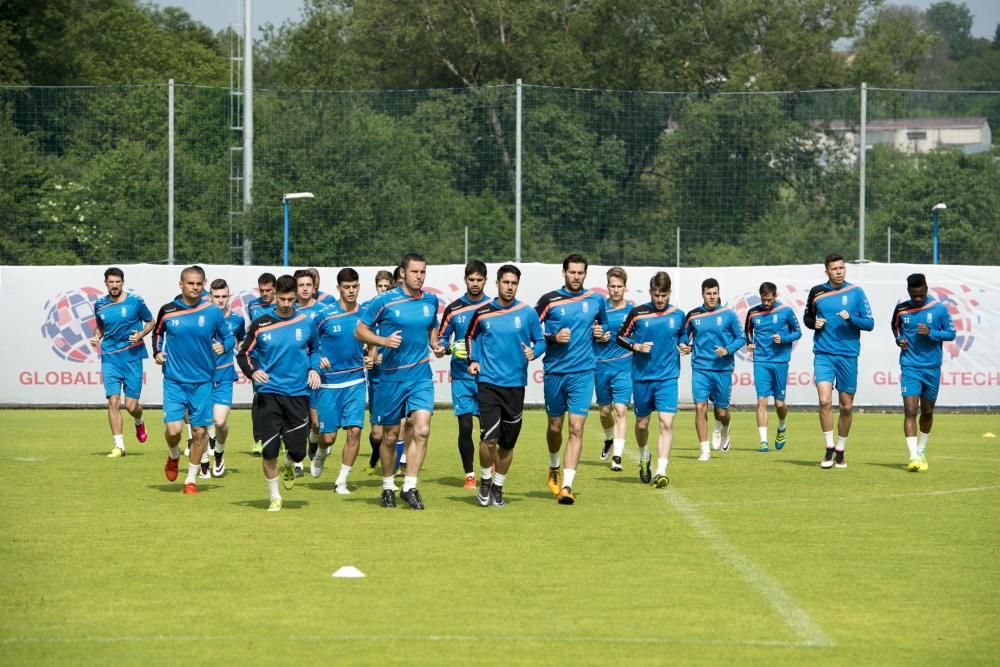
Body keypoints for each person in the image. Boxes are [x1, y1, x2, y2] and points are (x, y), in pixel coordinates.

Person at [356, 253, 444, 510]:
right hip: (390, 378)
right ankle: (387, 486)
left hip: (420, 376)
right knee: (390, 436)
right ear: (403, 273)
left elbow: (432, 333)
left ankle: (410, 486)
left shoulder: (430, 301)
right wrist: (382, 342)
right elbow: (360, 330)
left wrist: (437, 346)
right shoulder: (384, 302)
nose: (419, 276)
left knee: (422, 429)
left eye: (423, 272)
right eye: (415, 272)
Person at [237, 274, 322, 511]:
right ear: (274, 295)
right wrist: (253, 372)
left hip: (298, 394)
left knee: (296, 452)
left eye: (290, 299)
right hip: (268, 394)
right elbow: (243, 354)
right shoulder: (261, 324)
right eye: (282, 299)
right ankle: (275, 497)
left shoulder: (306, 322)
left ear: (296, 296)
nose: (286, 304)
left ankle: (290, 464)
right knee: (269, 450)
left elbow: (315, 349)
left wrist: (314, 368)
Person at [466, 264, 546, 507]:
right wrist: (474, 359)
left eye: (514, 283)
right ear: (497, 284)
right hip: (489, 384)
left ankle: (499, 486)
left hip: (515, 386)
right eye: (506, 282)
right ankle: (486, 480)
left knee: (507, 444)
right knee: (488, 440)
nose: (509, 287)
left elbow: (541, 341)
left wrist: (535, 352)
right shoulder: (482, 312)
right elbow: (470, 337)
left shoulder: (528, 314)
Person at [152, 266, 233, 495]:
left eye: (199, 283)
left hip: (203, 382)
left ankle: (190, 480)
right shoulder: (167, 310)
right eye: (191, 283)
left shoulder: (213, 312)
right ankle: (174, 454)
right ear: (181, 284)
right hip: (174, 381)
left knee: (199, 433)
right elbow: (157, 334)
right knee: (174, 430)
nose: (195, 287)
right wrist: (158, 353)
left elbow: (228, 338)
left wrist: (223, 345)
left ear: (204, 283)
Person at [535, 253, 608, 505]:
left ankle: (567, 485)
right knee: (555, 426)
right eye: (572, 272)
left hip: (583, 373)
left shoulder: (596, 299)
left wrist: (601, 333)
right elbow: (531, 330)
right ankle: (554, 464)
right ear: (564, 272)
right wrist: (554, 337)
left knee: (576, 428)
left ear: (585, 274)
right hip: (555, 372)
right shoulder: (549, 300)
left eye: (580, 272)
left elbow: (603, 328)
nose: (576, 276)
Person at [803, 252, 874, 469]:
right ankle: (829, 447)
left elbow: (870, 323)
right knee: (824, 401)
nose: (839, 271)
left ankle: (841, 450)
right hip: (823, 354)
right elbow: (807, 317)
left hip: (848, 355)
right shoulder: (817, 292)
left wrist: (851, 318)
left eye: (842, 268)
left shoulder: (856, 292)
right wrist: (813, 323)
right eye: (834, 269)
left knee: (846, 407)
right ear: (827, 271)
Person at [616, 272, 685, 487]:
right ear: (650, 292)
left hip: (667, 377)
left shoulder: (678, 315)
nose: (660, 299)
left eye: (663, 294)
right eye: (656, 294)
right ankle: (645, 456)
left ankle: (661, 471)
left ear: (669, 293)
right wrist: (635, 346)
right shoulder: (637, 313)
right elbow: (621, 336)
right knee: (642, 424)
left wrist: (684, 344)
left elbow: (683, 335)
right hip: (642, 377)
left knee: (666, 422)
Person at [891, 273, 956, 472]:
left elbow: (951, 333)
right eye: (914, 295)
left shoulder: (939, 309)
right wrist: (899, 340)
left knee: (927, 411)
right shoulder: (901, 309)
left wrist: (932, 333)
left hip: (932, 368)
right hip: (910, 366)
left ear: (926, 288)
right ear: (909, 291)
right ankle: (913, 456)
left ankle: (921, 450)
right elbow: (895, 328)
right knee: (910, 411)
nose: (917, 299)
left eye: (920, 295)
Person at [311, 268, 367, 494]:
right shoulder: (324, 315)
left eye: (354, 286)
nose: (351, 291)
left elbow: (372, 339)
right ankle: (320, 453)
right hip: (329, 384)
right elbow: (309, 345)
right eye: (346, 287)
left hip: (355, 381)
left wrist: (372, 355)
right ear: (339, 288)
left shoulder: (365, 314)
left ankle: (341, 481)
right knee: (329, 437)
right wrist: (318, 359)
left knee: (354, 431)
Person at [437, 260, 490, 489]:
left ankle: (489, 470)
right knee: (465, 426)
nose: (475, 283)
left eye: (479, 279)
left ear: (486, 280)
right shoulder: (454, 309)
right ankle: (469, 475)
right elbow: (441, 339)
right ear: (465, 280)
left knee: (489, 429)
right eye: (471, 279)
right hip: (461, 376)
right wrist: (446, 348)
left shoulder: (494, 306)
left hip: (489, 377)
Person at [90, 267, 154, 458]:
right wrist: (96, 337)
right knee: (114, 401)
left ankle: (139, 420)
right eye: (111, 282)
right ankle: (119, 446)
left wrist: (141, 334)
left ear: (122, 282)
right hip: (110, 358)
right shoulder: (100, 304)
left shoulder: (135, 301)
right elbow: (100, 327)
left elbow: (151, 321)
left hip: (133, 357)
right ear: (106, 283)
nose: (115, 285)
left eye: (118, 282)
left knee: (131, 406)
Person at [680, 278, 745, 462]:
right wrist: (684, 344)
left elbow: (741, 338)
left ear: (718, 294)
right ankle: (704, 449)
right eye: (708, 293)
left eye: (714, 293)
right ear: (702, 294)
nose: (711, 297)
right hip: (700, 369)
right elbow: (684, 335)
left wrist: (727, 349)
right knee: (700, 408)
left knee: (721, 412)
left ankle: (724, 428)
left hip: (722, 369)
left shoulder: (729, 315)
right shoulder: (693, 315)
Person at [744, 282, 801, 452]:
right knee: (762, 400)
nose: (766, 303)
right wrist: (749, 343)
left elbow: (797, 332)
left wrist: (783, 339)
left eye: (769, 299)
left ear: (776, 296)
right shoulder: (753, 312)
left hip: (780, 361)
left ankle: (782, 425)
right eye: (763, 299)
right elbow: (747, 331)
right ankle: (763, 441)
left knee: (779, 403)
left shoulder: (786, 311)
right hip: (760, 361)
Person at [200, 278, 246, 478]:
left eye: (224, 296)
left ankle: (218, 452)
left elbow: (241, 341)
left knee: (219, 423)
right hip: (201, 376)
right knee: (200, 423)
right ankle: (202, 462)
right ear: (209, 297)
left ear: (229, 297)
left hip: (225, 375)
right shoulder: (200, 317)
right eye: (216, 296)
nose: (220, 300)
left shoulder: (237, 320)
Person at [593, 266, 633, 472]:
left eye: (619, 286)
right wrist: (598, 335)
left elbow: (638, 336)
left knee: (620, 410)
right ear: (607, 287)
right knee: (604, 411)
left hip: (625, 366)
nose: (616, 290)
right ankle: (609, 439)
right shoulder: (599, 309)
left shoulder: (632, 310)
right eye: (612, 286)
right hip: (601, 365)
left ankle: (617, 456)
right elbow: (589, 333)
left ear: (625, 287)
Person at [294, 268, 329, 477]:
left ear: (313, 286)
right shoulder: (289, 312)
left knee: (316, 423)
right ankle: (297, 463)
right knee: (298, 419)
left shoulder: (324, 311)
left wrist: (323, 357)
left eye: (308, 285)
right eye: (301, 285)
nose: (305, 289)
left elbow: (328, 340)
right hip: (296, 373)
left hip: (317, 372)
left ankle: (313, 443)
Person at [362, 270, 395, 475]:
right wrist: (368, 356)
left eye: (386, 286)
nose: (382, 290)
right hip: (375, 378)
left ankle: (395, 465)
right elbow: (360, 337)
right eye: (380, 286)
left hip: (395, 377)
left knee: (397, 426)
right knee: (376, 433)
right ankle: (376, 457)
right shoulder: (369, 308)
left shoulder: (395, 309)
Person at [247, 272, 277, 456]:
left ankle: (279, 438)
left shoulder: (283, 305)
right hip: (259, 358)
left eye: (268, 290)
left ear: (275, 289)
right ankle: (259, 440)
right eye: (262, 290)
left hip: (279, 359)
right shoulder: (253, 305)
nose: (265, 293)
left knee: (281, 398)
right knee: (260, 397)